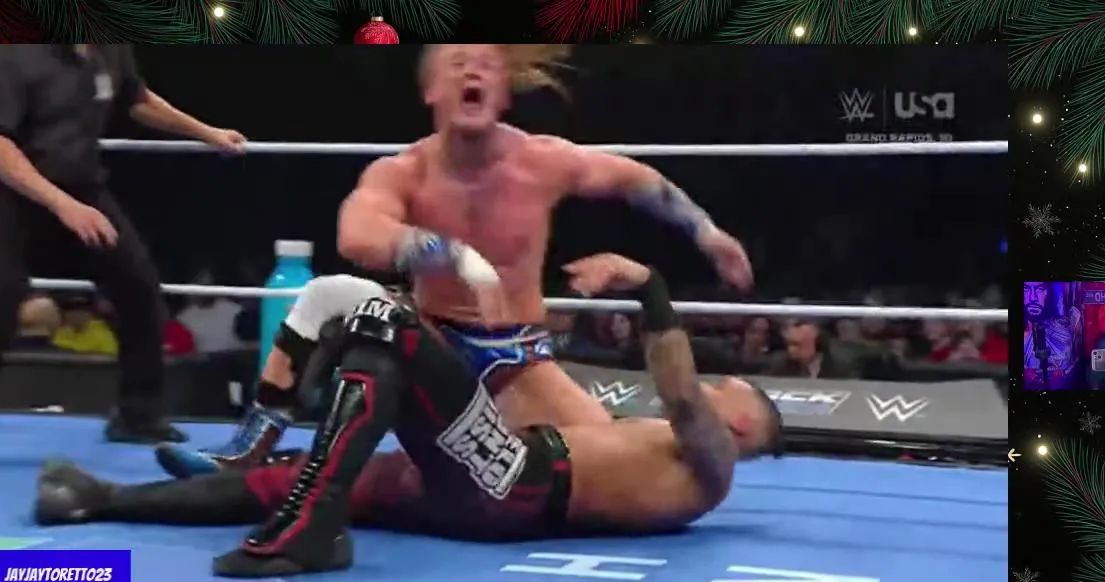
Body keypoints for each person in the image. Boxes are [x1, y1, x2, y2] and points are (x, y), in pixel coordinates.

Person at [154, 44, 753, 475]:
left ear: (503, 91)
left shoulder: (543, 161)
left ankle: (745, 436)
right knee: (327, 294)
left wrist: (705, 230)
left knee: (616, 462)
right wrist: (454, 255)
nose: (471, 69)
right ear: (431, 91)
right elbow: (357, 233)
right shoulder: (404, 171)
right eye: (456, 62)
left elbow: (636, 179)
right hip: (431, 343)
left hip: (516, 357)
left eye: (486, 64)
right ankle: (253, 448)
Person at [34, 255, 784, 577]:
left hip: (515, 484)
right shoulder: (645, 448)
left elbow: (680, 391)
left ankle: (307, 523)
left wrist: (649, 287)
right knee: (310, 463)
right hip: (494, 476)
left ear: (743, 428)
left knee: (383, 324)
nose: (717, 383)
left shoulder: (710, 468)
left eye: (732, 387)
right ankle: (103, 499)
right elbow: (527, 387)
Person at [0, 44, 246, 440]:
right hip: (3, 188)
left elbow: (136, 98)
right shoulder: (7, 49)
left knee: (138, 285)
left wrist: (207, 133)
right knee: (1, 290)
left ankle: (138, 415)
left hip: (79, 183)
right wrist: (61, 204)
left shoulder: (108, 47)